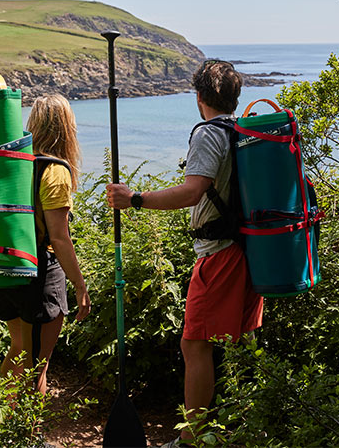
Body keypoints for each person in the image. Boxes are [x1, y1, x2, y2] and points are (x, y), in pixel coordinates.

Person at [106, 60, 263, 447]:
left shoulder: (209, 134)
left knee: (194, 343)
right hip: (252, 249)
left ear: (198, 97)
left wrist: (135, 199)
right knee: (241, 341)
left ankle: (192, 440)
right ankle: (250, 424)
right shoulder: (243, 131)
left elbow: (192, 191)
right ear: (234, 96)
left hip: (221, 252)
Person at [0, 94, 91, 394]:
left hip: (7, 268)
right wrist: (80, 285)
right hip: (40, 273)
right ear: (66, 127)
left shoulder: (15, 163)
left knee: (19, 349)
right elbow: (59, 238)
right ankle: (31, 435)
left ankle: (1, 424)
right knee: (38, 366)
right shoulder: (55, 171)